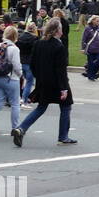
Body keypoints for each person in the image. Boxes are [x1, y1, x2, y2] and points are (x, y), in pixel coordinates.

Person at [12, 18, 76, 147]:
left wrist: (39, 78)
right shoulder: (59, 46)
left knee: (41, 107)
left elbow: (33, 64)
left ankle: (21, 128)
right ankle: (63, 136)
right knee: (66, 106)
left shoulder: (38, 43)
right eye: (61, 29)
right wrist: (63, 88)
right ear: (57, 31)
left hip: (43, 81)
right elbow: (61, 70)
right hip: (57, 83)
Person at [81, 16, 99, 81]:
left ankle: (92, 73)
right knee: (90, 63)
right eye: (97, 21)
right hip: (90, 49)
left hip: (98, 49)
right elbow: (84, 39)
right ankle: (90, 76)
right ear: (92, 21)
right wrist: (83, 48)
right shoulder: (87, 28)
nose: (98, 22)